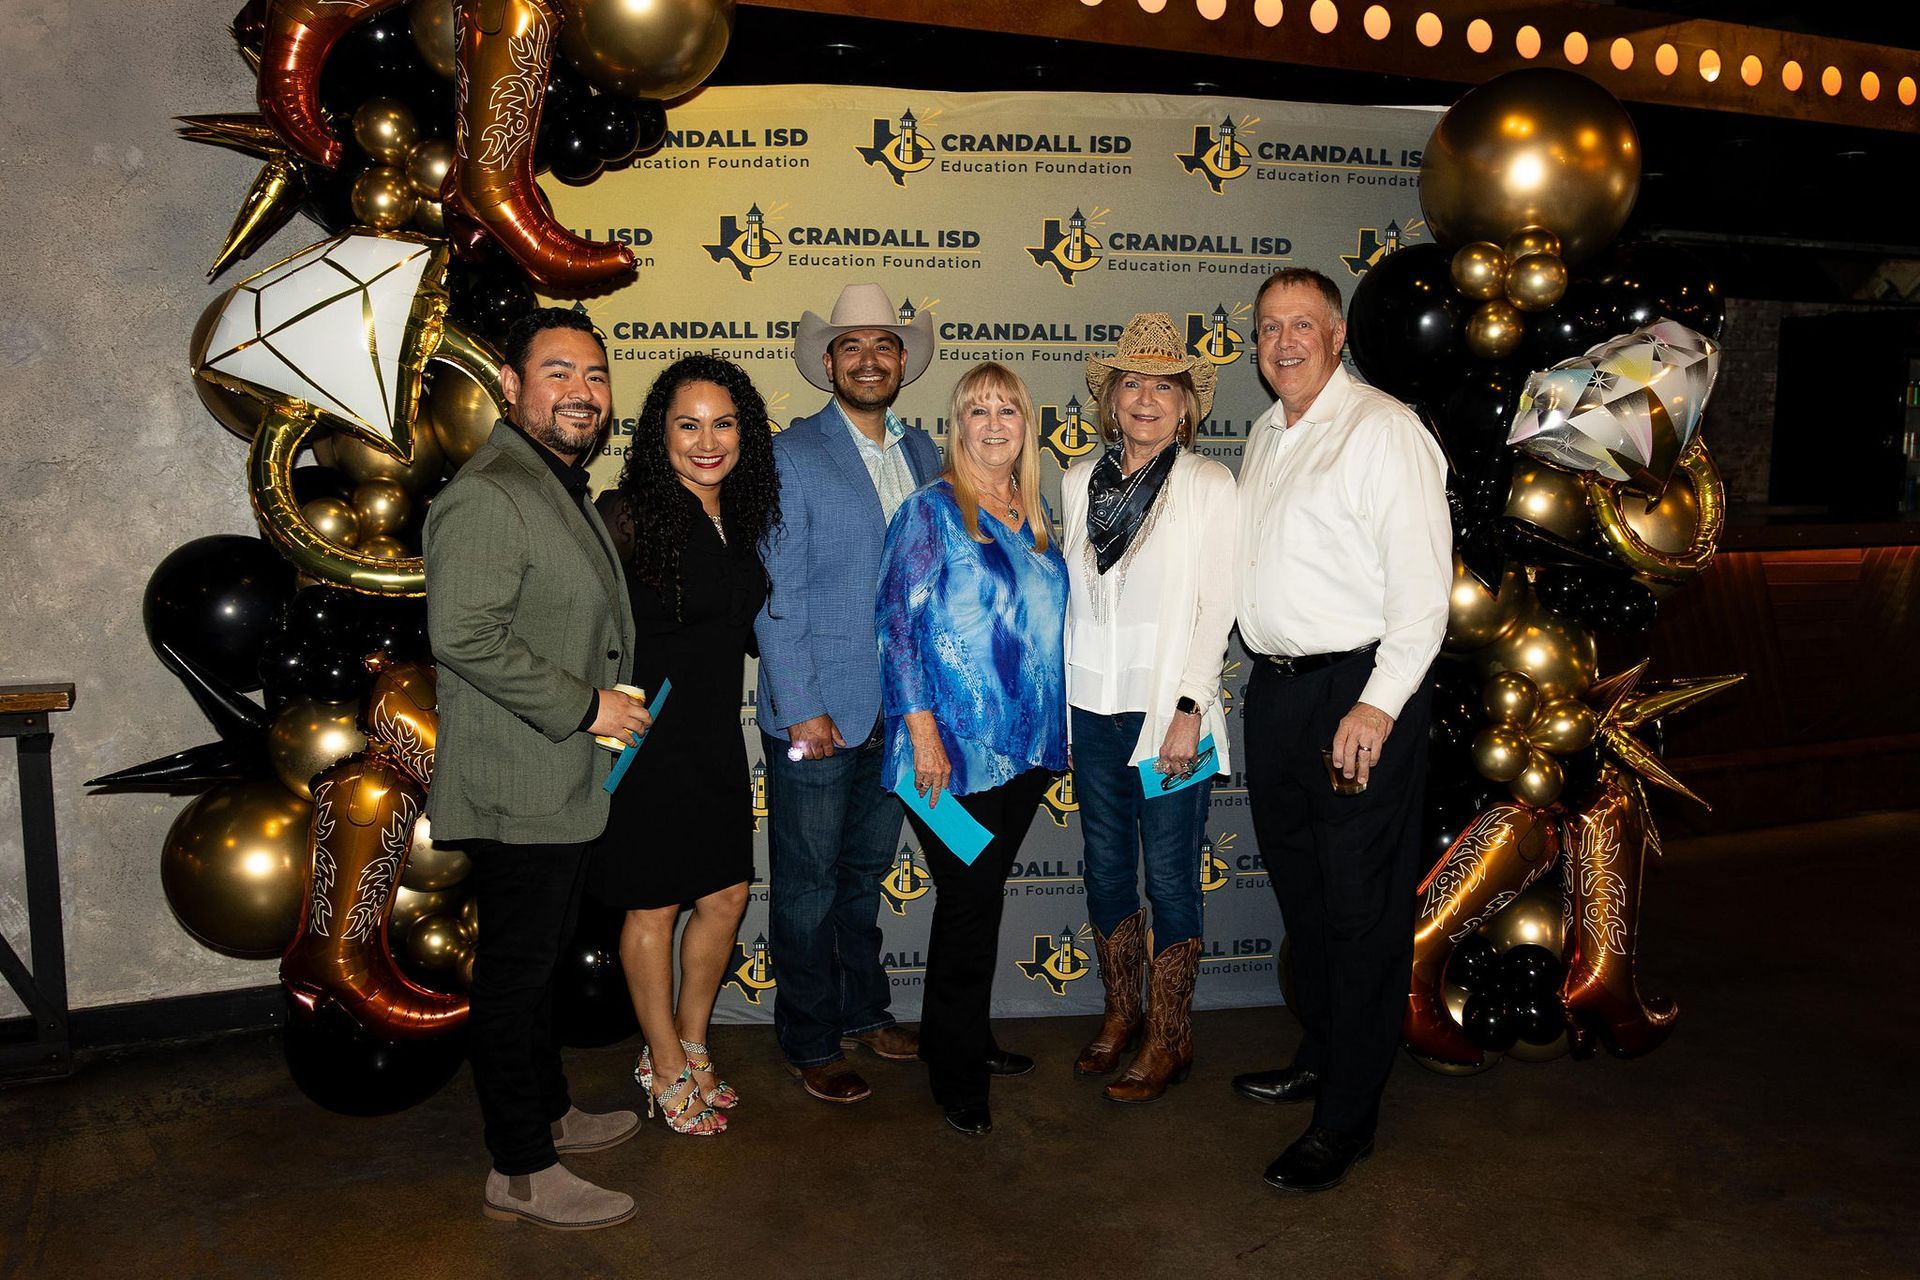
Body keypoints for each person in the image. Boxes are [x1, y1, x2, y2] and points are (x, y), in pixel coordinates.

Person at [425, 307, 651, 1231]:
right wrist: (588, 706)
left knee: (542, 964)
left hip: (555, 782)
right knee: (516, 980)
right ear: (510, 388)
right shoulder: (491, 490)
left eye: (595, 376)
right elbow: (462, 632)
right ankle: (519, 1168)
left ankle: (548, 1112)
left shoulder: (554, 481)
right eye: (557, 372)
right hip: (517, 782)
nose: (581, 393)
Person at [1231, 268, 1451, 1192]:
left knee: (1361, 913)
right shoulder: (1265, 432)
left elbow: (1423, 592)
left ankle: (1348, 1119)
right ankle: (1324, 1055)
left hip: (1358, 697)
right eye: (1269, 327)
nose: (1285, 342)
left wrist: (1378, 703)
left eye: (1302, 325)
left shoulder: (1384, 430)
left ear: (1339, 331)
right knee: (1308, 899)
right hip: (1277, 695)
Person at [754, 284, 943, 1105]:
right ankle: (808, 1038)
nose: (870, 359)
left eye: (885, 346)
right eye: (852, 347)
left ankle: (865, 1011)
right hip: (819, 712)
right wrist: (801, 706)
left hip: (901, 712)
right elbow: (777, 593)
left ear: (903, 362)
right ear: (828, 364)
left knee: (865, 874)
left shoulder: (926, 455)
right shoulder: (791, 454)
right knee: (805, 887)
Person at [875, 361, 1069, 1137]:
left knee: (979, 900)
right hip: (943, 758)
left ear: (1027, 427)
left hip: (1023, 756)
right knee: (965, 902)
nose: (994, 424)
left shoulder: (1036, 512)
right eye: (978, 411)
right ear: (958, 427)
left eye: (1008, 412)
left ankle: (969, 1038)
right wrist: (923, 735)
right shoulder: (930, 511)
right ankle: (952, 1071)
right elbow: (895, 629)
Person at [591, 355, 778, 1137]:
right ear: (658, 434)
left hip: (713, 736)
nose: (707, 441)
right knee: (655, 905)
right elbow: (577, 621)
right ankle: (661, 1060)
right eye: (688, 425)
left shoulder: (745, 511)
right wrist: (591, 708)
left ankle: (694, 1040)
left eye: (723, 423)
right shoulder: (625, 513)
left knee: (727, 895)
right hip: (647, 739)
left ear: (745, 433)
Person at [1061, 313, 1237, 1104]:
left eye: (1163, 386)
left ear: (1185, 405)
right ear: (1111, 398)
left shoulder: (1207, 483)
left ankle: (1170, 1038)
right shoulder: (1075, 482)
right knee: (1103, 868)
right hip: (1092, 709)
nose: (1145, 398)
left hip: (1172, 718)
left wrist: (1190, 708)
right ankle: (1119, 1013)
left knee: (1168, 876)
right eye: (1131, 383)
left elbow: (1217, 606)